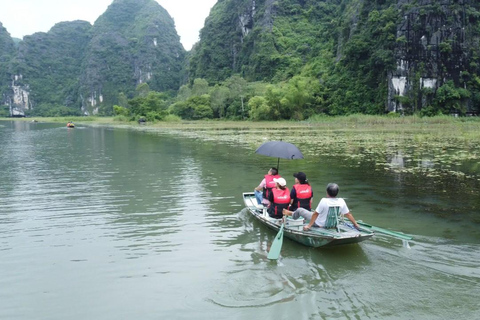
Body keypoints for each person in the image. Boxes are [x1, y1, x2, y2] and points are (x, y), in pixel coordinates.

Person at [283, 183, 360, 231]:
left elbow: (315, 214)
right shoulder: (341, 201)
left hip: (319, 224)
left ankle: (292, 215)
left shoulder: (324, 200)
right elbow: (348, 214)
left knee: (300, 210)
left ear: (327, 192)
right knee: (312, 213)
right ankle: (296, 215)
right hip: (332, 224)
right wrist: (355, 224)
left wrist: (309, 226)